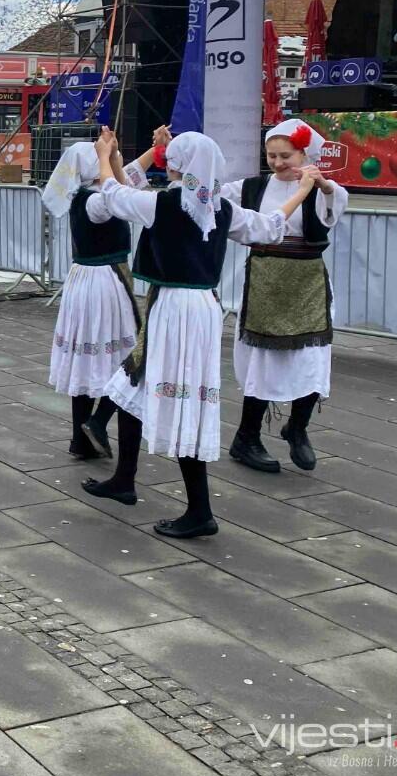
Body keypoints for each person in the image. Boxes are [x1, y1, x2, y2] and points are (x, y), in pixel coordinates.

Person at [80, 128, 316, 539]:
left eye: (173, 158)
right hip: (199, 306)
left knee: (183, 400)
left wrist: (104, 156)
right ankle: (124, 478)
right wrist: (305, 190)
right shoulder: (220, 208)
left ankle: (200, 511)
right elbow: (271, 226)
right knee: (131, 386)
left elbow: (114, 195)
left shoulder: (166, 204)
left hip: (177, 309)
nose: (168, 162)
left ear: (183, 166)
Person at [222, 120, 348, 474]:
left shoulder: (324, 188)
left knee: (312, 357)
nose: (277, 162)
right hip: (266, 280)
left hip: (306, 281)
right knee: (262, 360)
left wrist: (322, 186)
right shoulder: (252, 187)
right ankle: (246, 437)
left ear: (304, 153)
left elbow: (333, 210)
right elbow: (210, 195)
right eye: (271, 155)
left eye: (285, 155)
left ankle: (298, 427)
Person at [39, 141, 139, 460]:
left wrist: (155, 150)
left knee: (87, 362)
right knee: (129, 357)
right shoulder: (97, 201)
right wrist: (106, 156)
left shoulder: (83, 196)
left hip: (85, 281)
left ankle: (79, 439)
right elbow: (123, 193)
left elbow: (129, 181)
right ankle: (97, 422)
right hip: (105, 283)